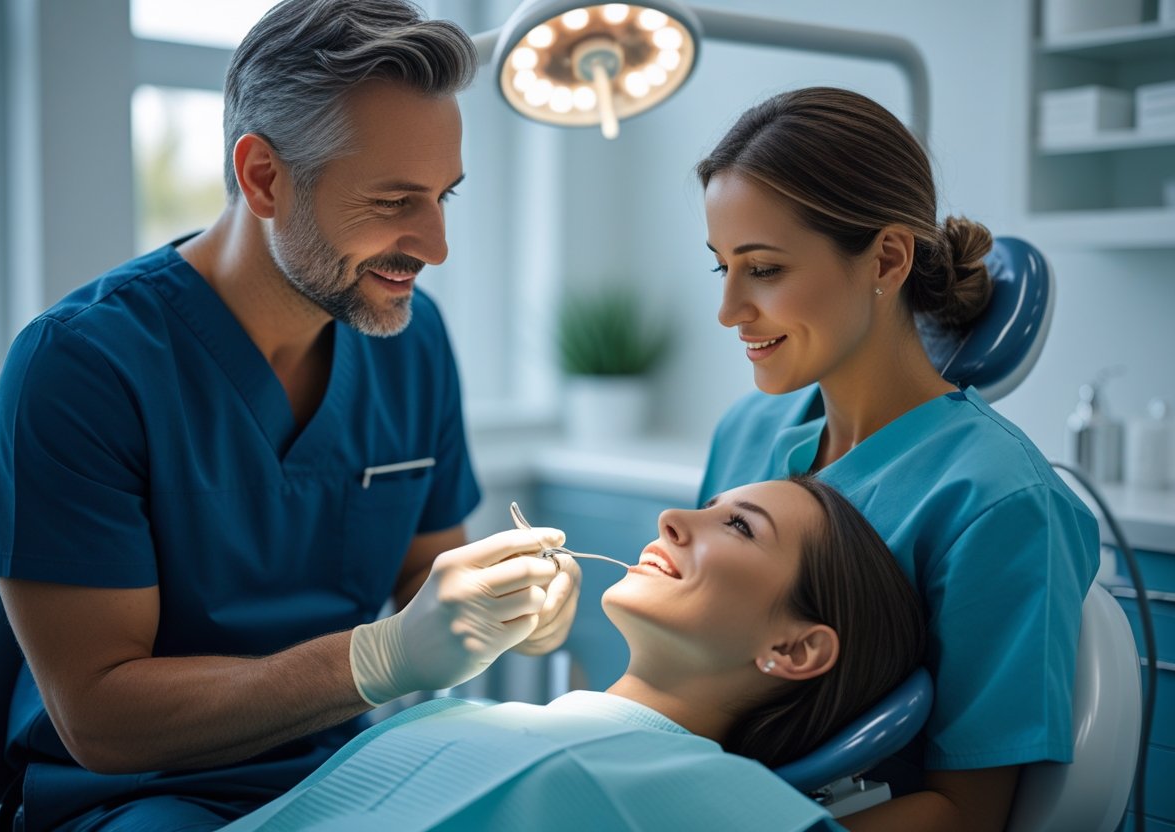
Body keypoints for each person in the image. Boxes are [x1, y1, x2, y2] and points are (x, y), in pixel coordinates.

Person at [0, 2, 580, 830]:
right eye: (395, 199)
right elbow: (100, 718)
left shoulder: (410, 339)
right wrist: (380, 657)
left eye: (443, 196)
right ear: (263, 177)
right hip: (139, 796)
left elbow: (424, 570)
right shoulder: (80, 369)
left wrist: (510, 606)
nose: (435, 244)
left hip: (346, 773)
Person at [695, 86, 1100, 832]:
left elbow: (966, 814)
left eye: (765, 269)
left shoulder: (1000, 503)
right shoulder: (750, 434)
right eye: (721, 266)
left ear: (886, 258)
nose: (728, 310)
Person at [211, 476, 926, 831]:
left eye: (738, 526)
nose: (672, 518)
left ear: (795, 648)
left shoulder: (746, 810)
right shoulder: (450, 719)